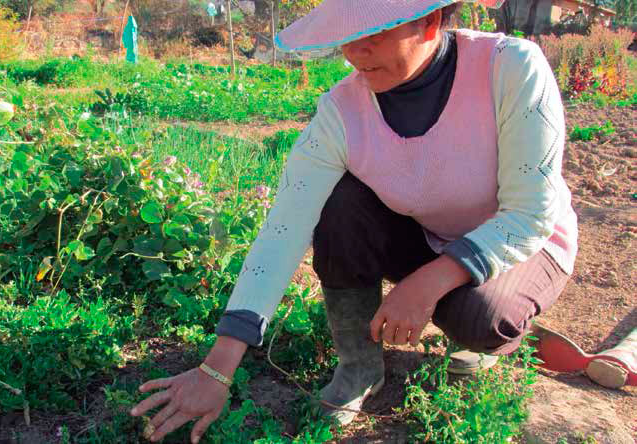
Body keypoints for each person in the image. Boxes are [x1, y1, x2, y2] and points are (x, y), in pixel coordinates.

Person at [130, 0, 579, 441]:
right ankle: (360, 367)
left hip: (526, 241)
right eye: (348, 32)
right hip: (428, 232)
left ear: (428, 22)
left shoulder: (509, 68)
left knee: (484, 318)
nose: (355, 51)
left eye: (375, 32)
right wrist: (218, 365)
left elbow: (528, 213)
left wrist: (427, 283)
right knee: (338, 202)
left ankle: (477, 335)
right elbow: (283, 230)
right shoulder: (342, 111)